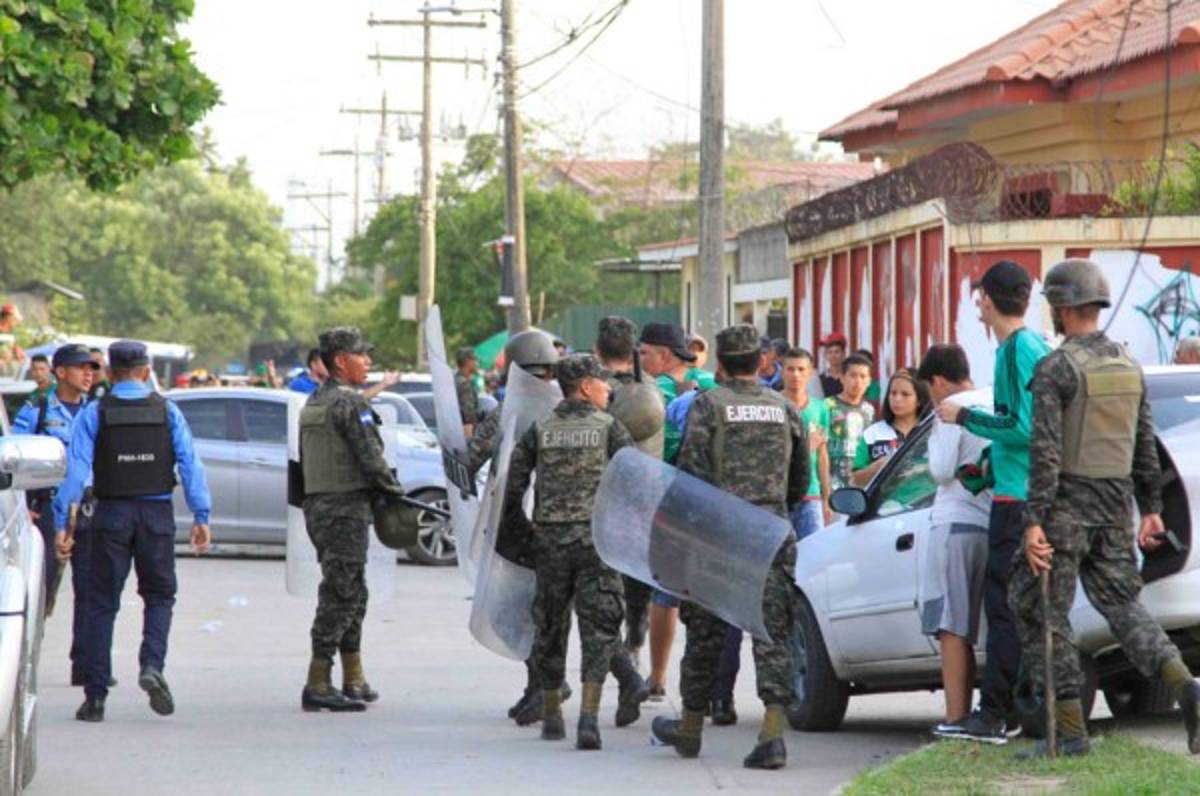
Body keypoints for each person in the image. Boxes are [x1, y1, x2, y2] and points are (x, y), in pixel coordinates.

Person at [1012, 259, 1200, 759]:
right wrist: (1152, 509)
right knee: (1124, 607)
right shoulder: (1127, 365)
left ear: (1063, 308)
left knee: (1038, 609)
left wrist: (1034, 521)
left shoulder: (1056, 368)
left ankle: (1070, 733)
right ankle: (1185, 685)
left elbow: (1046, 452)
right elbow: (1145, 444)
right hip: (1117, 509)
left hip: (1065, 511)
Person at [651, 323, 808, 770]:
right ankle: (772, 735)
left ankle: (690, 728)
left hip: (718, 537)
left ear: (719, 363)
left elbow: (692, 475)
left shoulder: (708, 406)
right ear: (762, 362)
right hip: (771, 534)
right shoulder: (785, 409)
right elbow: (799, 484)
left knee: (705, 635)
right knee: (772, 633)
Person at [53, 341, 211, 723]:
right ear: (146, 370)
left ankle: (94, 698)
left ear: (109, 371)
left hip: (111, 514)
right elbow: (190, 464)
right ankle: (151, 665)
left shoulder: (94, 413)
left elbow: (75, 472)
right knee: (159, 596)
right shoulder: (167, 410)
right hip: (156, 514)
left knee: (100, 602)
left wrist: (63, 523)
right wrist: (201, 514)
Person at [935, 260, 1051, 744]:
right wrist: (984, 470)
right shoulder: (1015, 349)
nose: (976, 303)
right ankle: (1016, 708)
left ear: (989, 299)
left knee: (1004, 608)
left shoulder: (1021, 349)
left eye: (979, 295)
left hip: (1019, 501)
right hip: (1007, 490)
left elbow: (1024, 426)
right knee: (1013, 609)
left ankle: (994, 712)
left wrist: (966, 417)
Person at [506, 354, 635, 750]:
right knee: (599, 629)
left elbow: (511, 488)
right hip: (596, 543)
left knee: (550, 627)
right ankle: (589, 721)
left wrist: (526, 536)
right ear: (584, 387)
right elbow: (633, 481)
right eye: (601, 383)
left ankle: (552, 718)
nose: (608, 388)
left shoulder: (540, 427)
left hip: (549, 543)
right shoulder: (609, 427)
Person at [465, 330, 575, 727]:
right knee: (553, 611)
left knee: (524, 611)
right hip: (563, 524)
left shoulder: (506, 409)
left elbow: (471, 460)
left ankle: (546, 686)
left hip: (519, 526)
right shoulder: (566, 406)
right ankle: (541, 687)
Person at [297, 327, 405, 713]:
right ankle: (318, 681)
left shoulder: (316, 401)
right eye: (362, 356)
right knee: (341, 594)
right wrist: (395, 491)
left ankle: (353, 677)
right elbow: (372, 459)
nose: (369, 362)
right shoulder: (349, 405)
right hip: (344, 510)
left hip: (320, 507)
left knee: (353, 590)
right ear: (342, 361)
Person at [637, 321, 717, 701]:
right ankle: (716, 689)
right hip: (716, 503)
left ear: (664, 355)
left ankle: (657, 678)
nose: (641, 359)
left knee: (665, 592)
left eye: (645, 352)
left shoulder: (650, 390)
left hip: (669, 501)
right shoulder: (714, 382)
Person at [916, 344, 992, 739]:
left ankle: (956, 714)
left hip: (955, 522)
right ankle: (990, 710)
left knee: (952, 625)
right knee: (988, 624)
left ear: (939, 381)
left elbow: (942, 470)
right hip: (990, 523)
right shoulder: (994, 401)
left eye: (929, 390)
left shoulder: (951, 409)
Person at [13, 344, 99, 684]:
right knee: (43, 588)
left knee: (91, 589)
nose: (89, 374)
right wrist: (24, 506)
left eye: (92, 368)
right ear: (60, 371)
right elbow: (16, 456)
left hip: (89, 509)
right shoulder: (39, 409)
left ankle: (85, 665)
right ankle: (26, 662)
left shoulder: (95, 411)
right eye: (81, 368)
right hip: (48, 508)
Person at [595, 316, 663, 679]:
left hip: (603, 502)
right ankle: (634, 646)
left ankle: (614, 658)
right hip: (647, 502)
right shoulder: (654, 390)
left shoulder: (591, 391)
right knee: (639, 585)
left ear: (597, 350)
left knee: (603, 588)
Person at [781, 347, 832, 538]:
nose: (796, 375)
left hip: (811, 495)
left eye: (801, 369)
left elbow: (822, 456)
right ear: (782, 371)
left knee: (814, 553)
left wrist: (826, 498)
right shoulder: (773, 404)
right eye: (790, 369)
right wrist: (803, 448)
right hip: (781, 495)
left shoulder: (820, 409)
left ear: (810, 373)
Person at [851, 369, 931, 486]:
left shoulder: (930, 432)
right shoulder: (873, 434)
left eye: (905, 394)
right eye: (893, 393)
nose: (897, 399)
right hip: (884, 503)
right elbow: (855, 480)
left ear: (919, 400)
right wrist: (877, 467)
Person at [825, 353, 875, 492]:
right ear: (842, 377)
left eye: (862, 376)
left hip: (859, 488)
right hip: (831, 486)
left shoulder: (869, 411)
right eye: (853, 375)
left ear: (869, 381)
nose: (857, 381)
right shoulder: (826, 406)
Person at [455, 346, 480, 438]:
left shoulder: (456, 380)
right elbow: (469, 416)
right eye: (474, 360)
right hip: (466, 433)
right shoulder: (464, 384)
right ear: (467, 361)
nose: (477, 363)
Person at [819, 332, 848, 397]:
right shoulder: (820, 380)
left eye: (836, 352)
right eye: (830, 352)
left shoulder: (849, 377)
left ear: (844, 354)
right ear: (826, 355)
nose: (833, 356)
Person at [0, 303, 24, 378]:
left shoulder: (11, 334)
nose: (16, 321)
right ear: (8, 317)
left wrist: (20, 355)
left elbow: (17, 351)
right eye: (14, 318)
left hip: (9, 372)